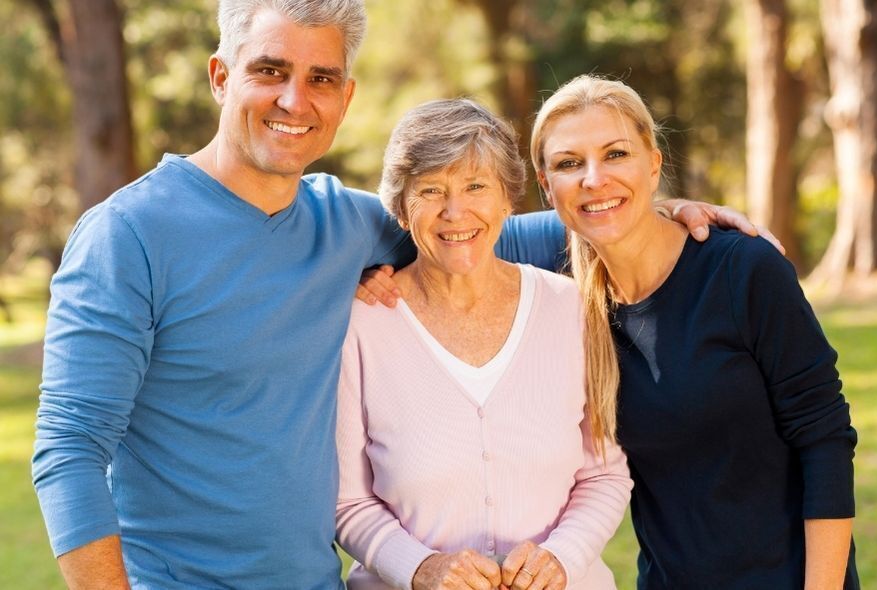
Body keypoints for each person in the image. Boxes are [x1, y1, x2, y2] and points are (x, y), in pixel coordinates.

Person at [30, 1, 752, 587]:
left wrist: (652, 216)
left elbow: (475, 231)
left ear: (345, 96)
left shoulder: (345, 223)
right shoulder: (128, 236)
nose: (294, 99)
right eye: (270, 71)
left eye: (320, 78)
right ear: (220, 76)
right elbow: (67, 451)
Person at [529, 75, 858, 589]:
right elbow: (443, 225)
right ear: (547, 186)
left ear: (654, 163)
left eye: (616, 154)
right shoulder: (563, 285)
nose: (593, 178)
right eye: (569, 163)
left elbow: (825, 440)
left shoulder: (743, 270)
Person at [335, 99, 632, 590]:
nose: (456, 212)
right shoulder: (361, 324)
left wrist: (562, 558)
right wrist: (420, 568)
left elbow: (604, 475)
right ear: (401, 209)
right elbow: (348, 501)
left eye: (476, 186)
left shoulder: (572, 308)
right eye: (431, 190)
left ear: (507, 200)